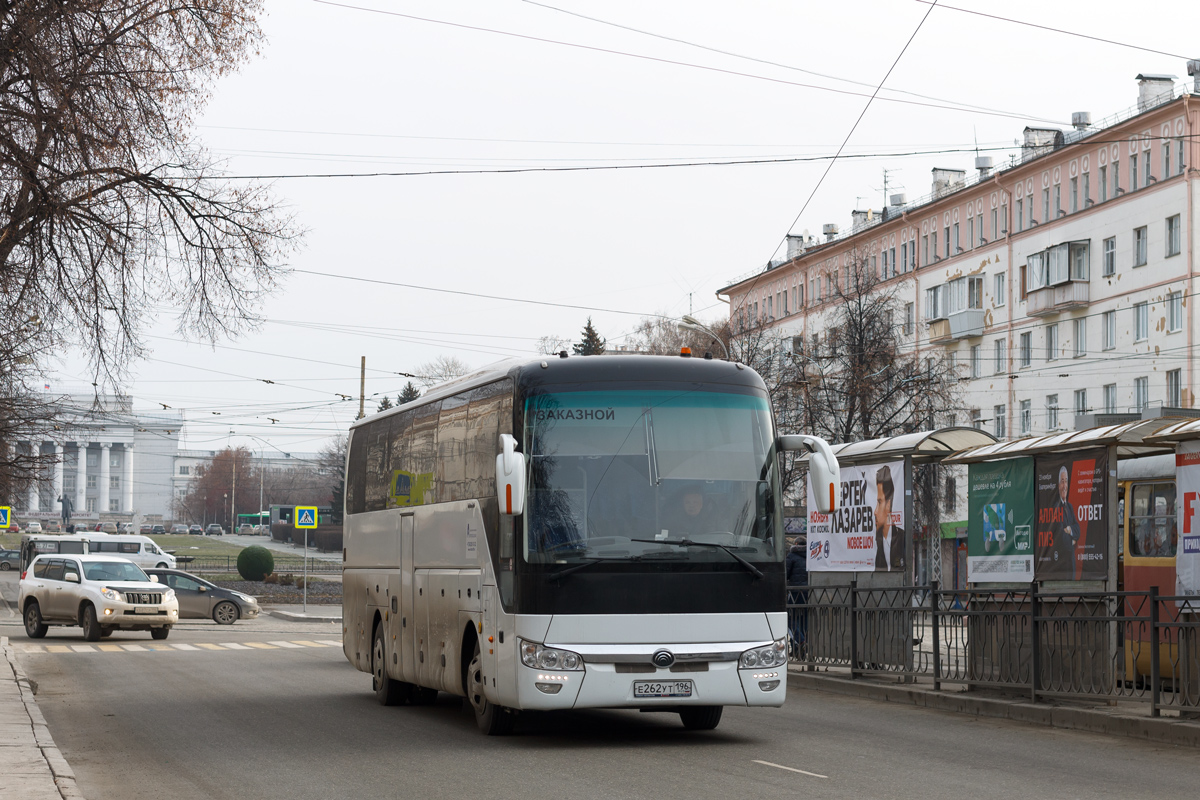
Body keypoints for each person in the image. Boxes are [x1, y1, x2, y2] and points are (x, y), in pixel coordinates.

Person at [1047, 465, 1079, 573]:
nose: (1064, 485)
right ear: (1058, 484)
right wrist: (1073, 540)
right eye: (1062, 481)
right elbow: (1060, 536)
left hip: (1072, 563)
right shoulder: (1056, 507)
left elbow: (1077, 529)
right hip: (1061, 564)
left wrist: (1069, 530)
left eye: (1066, 481)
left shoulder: (1069, 506)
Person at [874, 465, 905, 572]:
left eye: (879, 502)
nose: (875, 511)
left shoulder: (901, 537)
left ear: (888, 505)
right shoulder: (876, 542)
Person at [786, 536, 808, 657]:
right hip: (808, 592)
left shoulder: (791, 556)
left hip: (795, 592)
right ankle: (798, 650)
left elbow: (786, 573)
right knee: (803, 619)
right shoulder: (811, 556)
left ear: (795, 544)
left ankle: (800, 641)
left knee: (789, 619)